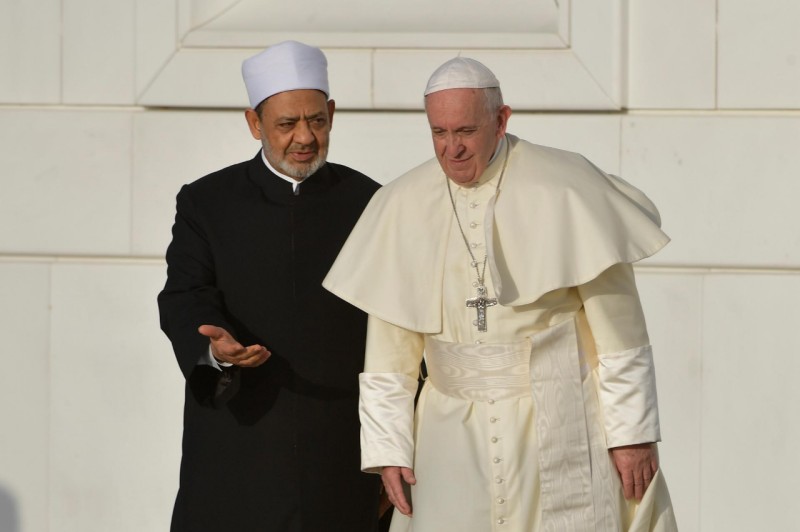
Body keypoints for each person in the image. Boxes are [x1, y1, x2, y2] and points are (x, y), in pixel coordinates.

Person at [323, 58, 678, 531]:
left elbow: (620, 331)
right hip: (449, 436)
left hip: (561, 419)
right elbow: (390, 355)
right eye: (439, 133)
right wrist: (389, 448)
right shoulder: (401, 203)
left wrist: (632, 435)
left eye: (466, 131)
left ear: (501, 119)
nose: (452, 148)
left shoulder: (567, 186)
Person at [158, 41, 382, 532]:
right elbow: (184, 294)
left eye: (317, 121)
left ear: (332, 114)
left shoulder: (372, 202)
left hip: (339, 449)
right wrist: (213, 346)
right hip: (238, 445)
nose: (305, 137)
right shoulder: (206, 202)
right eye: (286, 124)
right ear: (254, 123)